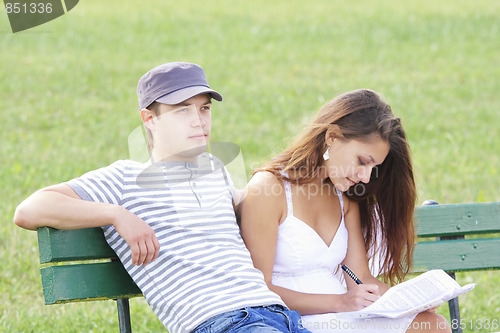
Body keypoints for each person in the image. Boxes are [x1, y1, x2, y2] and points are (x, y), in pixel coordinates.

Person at [13, 62, 311, 333]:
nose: (199, 120)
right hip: (221, 321)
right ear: (149, 118)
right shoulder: (125, 179)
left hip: (279, 315)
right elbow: (29, 209)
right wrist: (117, 215)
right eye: (182, 109)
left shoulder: (214, 170)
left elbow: (253, 211)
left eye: (204, 108)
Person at [239, 89, 451, 332]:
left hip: (345, 314)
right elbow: (259, 289)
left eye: (374, 167)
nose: (365, 176)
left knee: (433, 324)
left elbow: (361, 278)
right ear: (332, 137)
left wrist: (411, 303)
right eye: (362, 161)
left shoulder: (345, 199)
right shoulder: (268, 189)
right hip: (294, 319)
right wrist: (339, 302)